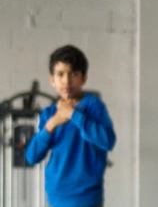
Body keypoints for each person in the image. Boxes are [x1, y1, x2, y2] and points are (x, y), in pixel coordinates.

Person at [26, 45, 116, 207]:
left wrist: (73, 115)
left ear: (84, 78)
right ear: (52, 80)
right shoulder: (49, 114)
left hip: (87, 198)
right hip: (56, 197)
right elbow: (32, 156)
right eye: (60, 75)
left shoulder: (93, 106)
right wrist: (53, 123)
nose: (67, 81)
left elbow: (107, 141)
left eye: (73, 74)